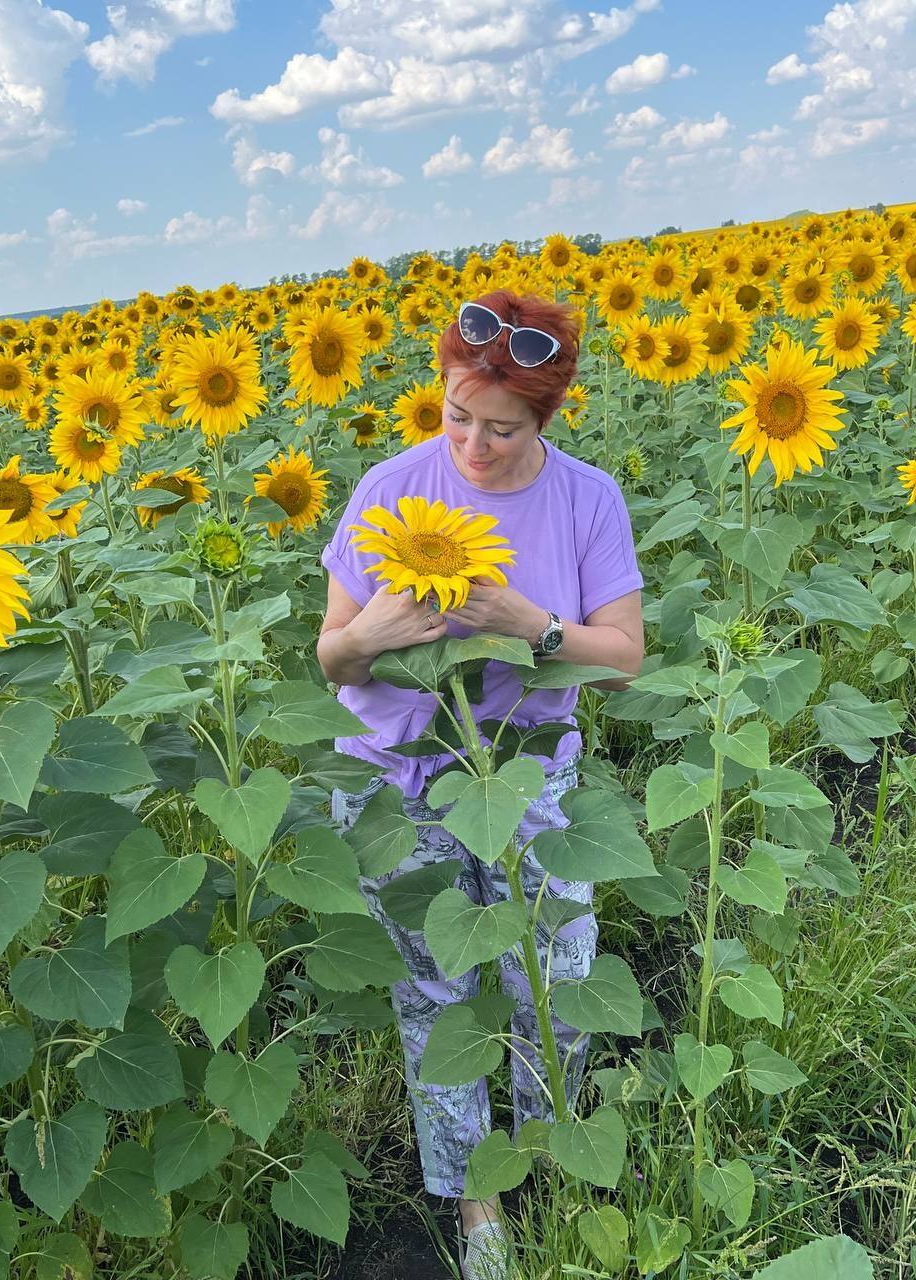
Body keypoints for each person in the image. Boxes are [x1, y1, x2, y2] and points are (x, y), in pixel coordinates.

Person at [317, 290, 644, 1279]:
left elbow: (621, 655)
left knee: (560, 970)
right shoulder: (390, 487)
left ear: (545, 417)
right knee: (440, 993)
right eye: (457, 416)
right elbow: (332, 656)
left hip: (526, 767)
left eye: (502, 428)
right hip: (403, 774)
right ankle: (478, 1204)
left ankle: (550, 1149)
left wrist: (530, 623)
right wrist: (367, 639)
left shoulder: (588, 498)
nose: (473, 446)